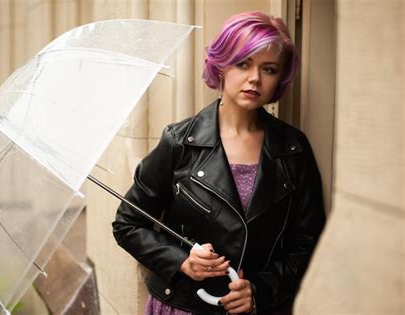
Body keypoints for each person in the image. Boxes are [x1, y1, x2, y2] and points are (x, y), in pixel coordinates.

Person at [113, 11, 325, 315]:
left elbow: (308, 242)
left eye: (269, 69)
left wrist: (260, 291)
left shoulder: (293, 148)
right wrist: (181, 260)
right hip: (183, 307)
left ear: (279, 78)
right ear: (222, 65)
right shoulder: (179, 142)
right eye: (243, 64)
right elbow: (128, 224)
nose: (255, 78)